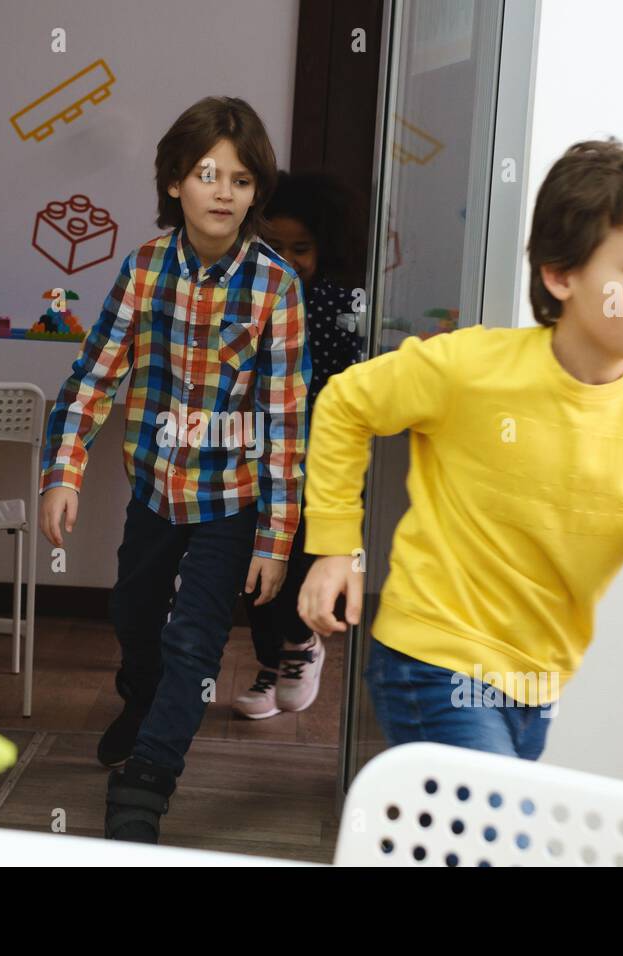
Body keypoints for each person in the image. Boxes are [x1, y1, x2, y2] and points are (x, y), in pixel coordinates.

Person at [297, 139, 623, 760]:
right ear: (561, 273)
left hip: (538, 684)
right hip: (433, 658)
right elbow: (345, 403)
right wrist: (335, 546)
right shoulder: (472, 367)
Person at [38, 96, 309, 842]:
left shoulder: (276, 286)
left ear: (257, 193)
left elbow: (287, 422)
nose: (224, 192)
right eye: (207, 174)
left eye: (242, 180)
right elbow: (95, 376)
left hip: (231, 500)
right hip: (155, 489)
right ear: (174, 185)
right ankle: (145, 694)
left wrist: (276, 539)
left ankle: (146, 787)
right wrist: (63, 471)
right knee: (133, 615)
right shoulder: (145, 269)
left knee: (196, 643)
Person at [234, 171, 362, 719]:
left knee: (304, 554)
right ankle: (272, 659)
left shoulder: (342, 302)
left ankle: (301, 645)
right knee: (255, 560)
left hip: (318, 460)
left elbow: (359, 386)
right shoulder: (245, 296)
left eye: (301, 248)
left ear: (323, 248)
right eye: (274, 246)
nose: (288, 258)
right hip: (253, 454)